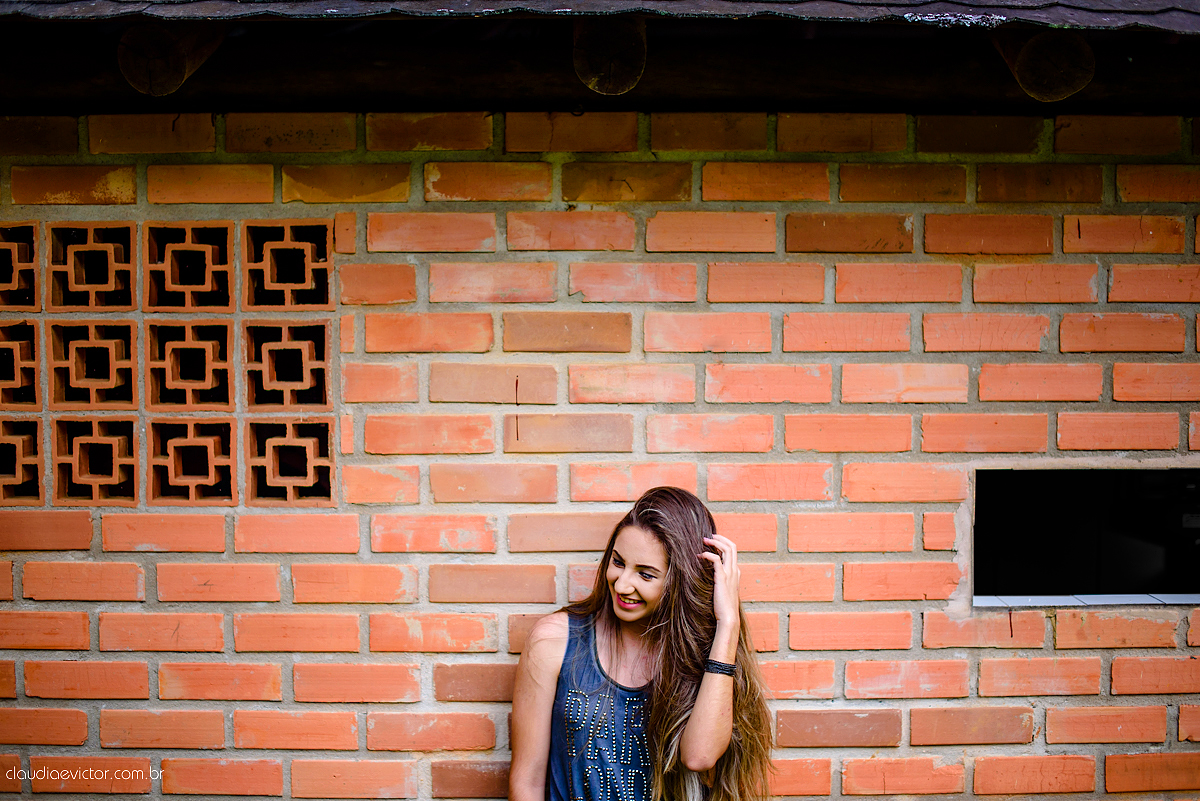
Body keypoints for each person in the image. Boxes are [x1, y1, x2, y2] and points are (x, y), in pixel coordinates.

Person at [509, 486, 772, 801]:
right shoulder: (553, 641)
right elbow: (527, 781)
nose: (621, 584)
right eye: (618, 562)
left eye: (645, 575)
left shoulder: (703, 654)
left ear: (681, 582)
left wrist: (727, 624)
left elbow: (699, 757)